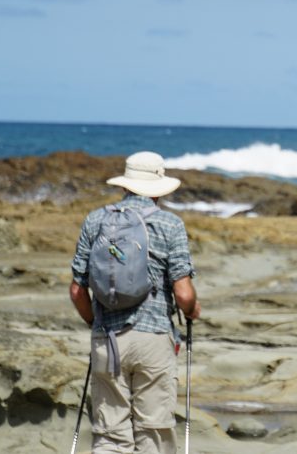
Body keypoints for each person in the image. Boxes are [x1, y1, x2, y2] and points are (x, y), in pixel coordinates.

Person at [70, 151, 201, 454]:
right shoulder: (170, 225)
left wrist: (96, 324)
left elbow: (77, 291)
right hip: (153, 339)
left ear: (125, 184)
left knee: (109, 436)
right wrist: (193, 309)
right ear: (158, 187)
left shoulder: (96, 220)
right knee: (153, 433)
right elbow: (183, 294)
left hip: (107, 339)